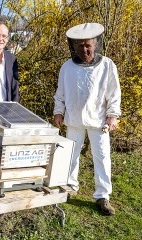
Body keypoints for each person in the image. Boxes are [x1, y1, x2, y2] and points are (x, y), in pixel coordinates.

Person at [53, 23, 121, 215]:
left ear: (95, 44)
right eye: (81, 45)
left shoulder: (107, 65)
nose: (84, 49)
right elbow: (61, 93)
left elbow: (114, 93)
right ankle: (70, 186)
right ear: (75, 46)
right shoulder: (67, 67)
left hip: (99, 121)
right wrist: (58, 112)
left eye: (88, 45)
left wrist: (112, 115)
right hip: (73, 119)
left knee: (102, 158)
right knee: (71, 156)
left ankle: (102, 196)